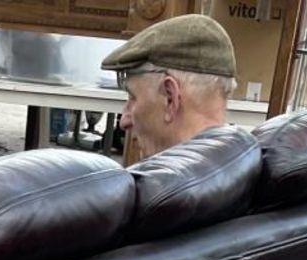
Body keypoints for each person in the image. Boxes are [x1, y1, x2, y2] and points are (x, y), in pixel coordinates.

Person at [101, 17, 238, 158]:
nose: (124, 121)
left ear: (170, 98)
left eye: (133, 98)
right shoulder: (246, 168)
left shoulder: (165, 179)